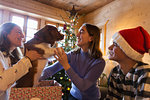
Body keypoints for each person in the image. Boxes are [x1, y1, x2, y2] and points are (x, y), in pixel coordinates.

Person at [40, 23, 106, 100]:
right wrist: (34, 78)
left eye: (81, 32)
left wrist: (66, 65)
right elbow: (51, 70)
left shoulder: (99, 62)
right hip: (73, 96)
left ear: (91, 38)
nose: (77, 35)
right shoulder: (72, 55)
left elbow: (83, 86)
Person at [0, 22, 42, 100]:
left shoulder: (8, 57)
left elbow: (9, 82)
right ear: (6, 34)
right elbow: (1, 84)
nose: (23, 36)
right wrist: (27, 59)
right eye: (19, 32)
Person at [105, 26, 150, 100]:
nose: (110, 47)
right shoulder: (115, 71)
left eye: (115, 44)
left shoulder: (145, 73)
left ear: (128, 51)